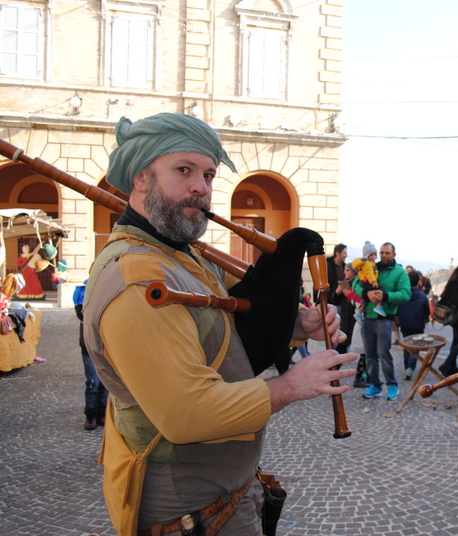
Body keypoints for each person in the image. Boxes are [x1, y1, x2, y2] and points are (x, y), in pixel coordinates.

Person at [81, 113, 355, 536]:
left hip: (220, 496)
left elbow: (219, 329)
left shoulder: (182, 255)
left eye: (208, 174)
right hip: (187, 509)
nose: (201, 187)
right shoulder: (136, 279)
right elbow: (185, 413)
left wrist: (298, 326)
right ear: (141, 178)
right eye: (183, 170)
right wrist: (290, 385)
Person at [354, 242, 411, 401]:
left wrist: (386, 296)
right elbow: (355, 284)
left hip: (385, 319)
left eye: (387, 252)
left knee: (383, 354)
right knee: (370, 355)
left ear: (394, 254)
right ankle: (375, 386)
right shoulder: (371, 266)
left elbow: (406, 294)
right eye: (382, 252)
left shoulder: (399, 272)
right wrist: (366, 293)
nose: (384, 255)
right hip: (367, 318)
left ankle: (392, 385)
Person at [73, 280, 108, 430]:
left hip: (106, 346)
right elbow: (83, 316)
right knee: (93, 383)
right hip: (89, 346)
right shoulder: (83, 293)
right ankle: (91, 415)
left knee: (106, 382)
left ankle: (102, 414)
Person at [396, 270, 430, 380]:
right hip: (418, 325)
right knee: (416, 346)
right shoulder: (422, 296)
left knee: (406, 345)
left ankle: (407, 367)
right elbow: (427, 312)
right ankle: (410, 368)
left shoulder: (402, 295)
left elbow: (397, 309)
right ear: (418, 282)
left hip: (404, 324)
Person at [326, 244, 352, 354]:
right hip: (330, 302)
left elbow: (345, 285)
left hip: (341, 302)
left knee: (341, 328)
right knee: (331, 331)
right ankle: (332, 352)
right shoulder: (327, 266)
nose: (346, 255)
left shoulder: (345, 267)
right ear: (337, 253)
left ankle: (338, 351)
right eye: (344, 253)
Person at [351, 241, 386, 318]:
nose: (373, 257)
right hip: (368, 281)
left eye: (374, 254)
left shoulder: (367, 263)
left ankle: (359, 312)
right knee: (380, 290)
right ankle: (379, 306)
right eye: (371, 255)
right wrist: (373, 282)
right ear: (367, 256)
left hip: (364, 281)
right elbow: (369, 273)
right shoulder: (368, 264)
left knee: (366, 297)